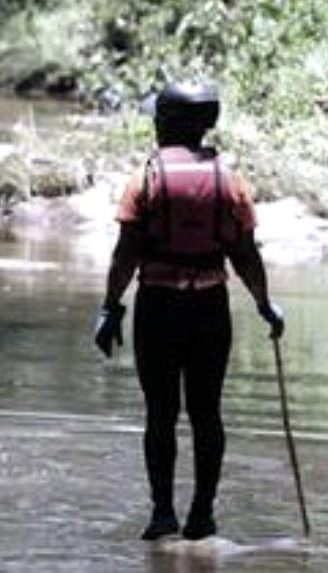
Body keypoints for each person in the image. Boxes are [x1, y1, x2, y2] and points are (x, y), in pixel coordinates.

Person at [94, 81, 285, 541]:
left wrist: (110, 307)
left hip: (158, 310)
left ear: (166, 125)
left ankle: (162, 514)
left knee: (160, 413)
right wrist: (264, 304)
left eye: (158, 119)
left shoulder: (146, 179)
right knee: (207, 413)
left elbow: (126, 255)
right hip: (209, 311)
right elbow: (245, 254)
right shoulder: (230, 180)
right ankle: (202, 514)